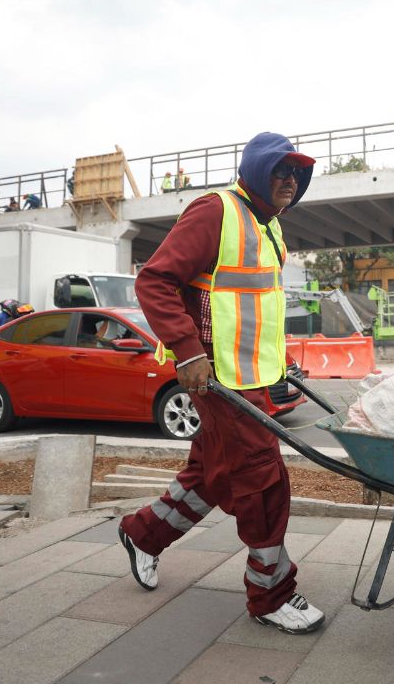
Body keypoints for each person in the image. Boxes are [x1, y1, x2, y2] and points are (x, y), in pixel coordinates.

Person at [118, 132, 324, 634]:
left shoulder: (269, 226)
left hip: (249, 376)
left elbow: (253, 307)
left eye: (297, 173)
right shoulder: (216, 211)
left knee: (211, 472)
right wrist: (188, 352)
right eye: (280, 170)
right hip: (215, 375)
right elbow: (155, 281)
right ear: (256, 170)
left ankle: (144, 534)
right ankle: (271, 594)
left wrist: (280, 363)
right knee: (263, 479)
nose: (290, 180)